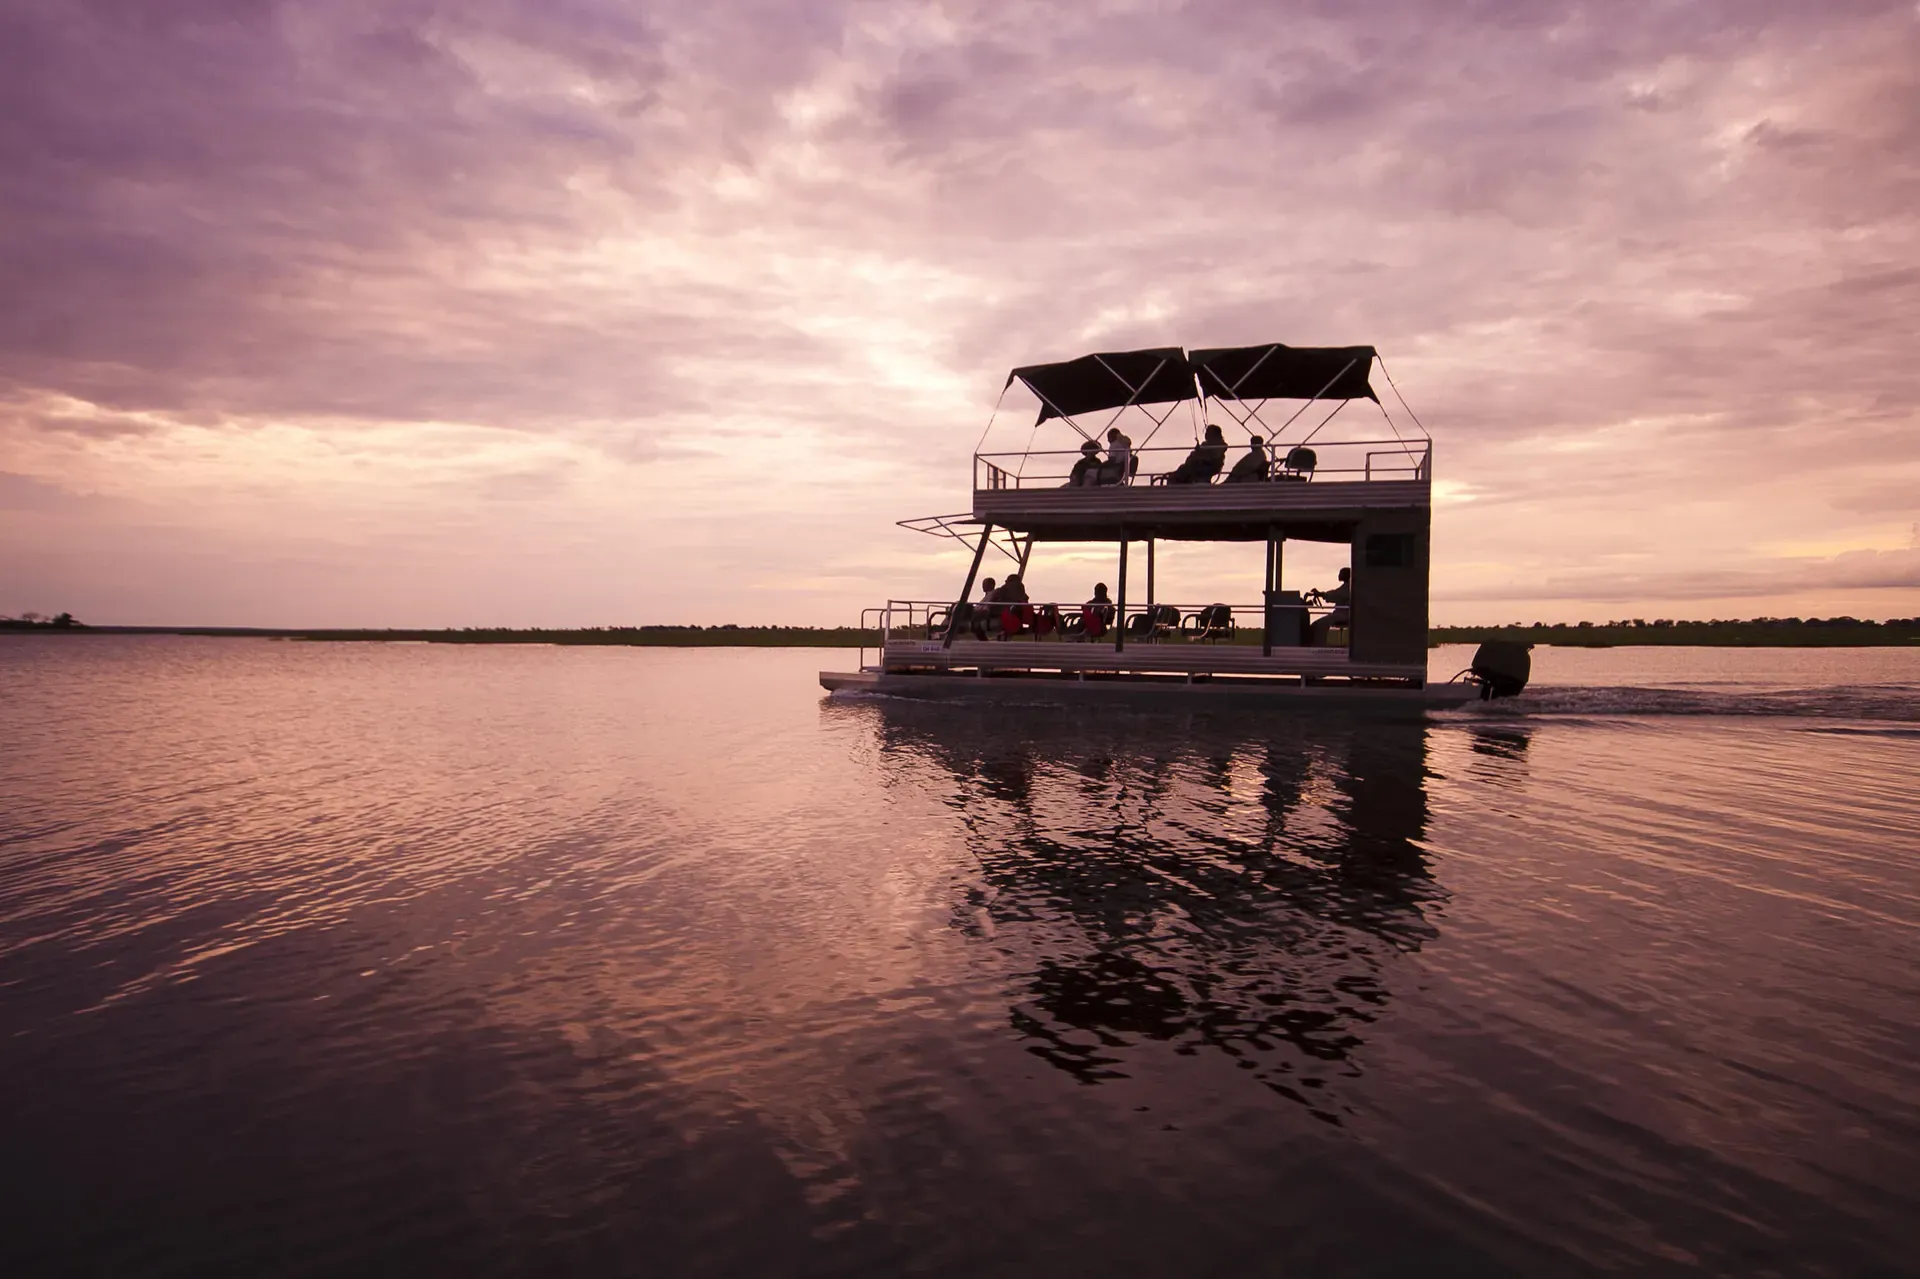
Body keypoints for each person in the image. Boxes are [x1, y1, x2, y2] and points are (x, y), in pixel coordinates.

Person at [1307, 567, 1352, 646]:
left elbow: (1336, 595)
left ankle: (1318, 646)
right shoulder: (1347, 586)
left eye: (1341, 573)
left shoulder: (1348, 587)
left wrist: (1321, 594)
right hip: (1341, 614)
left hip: (1342, 615)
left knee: (1318, 625)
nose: (1339, 575)